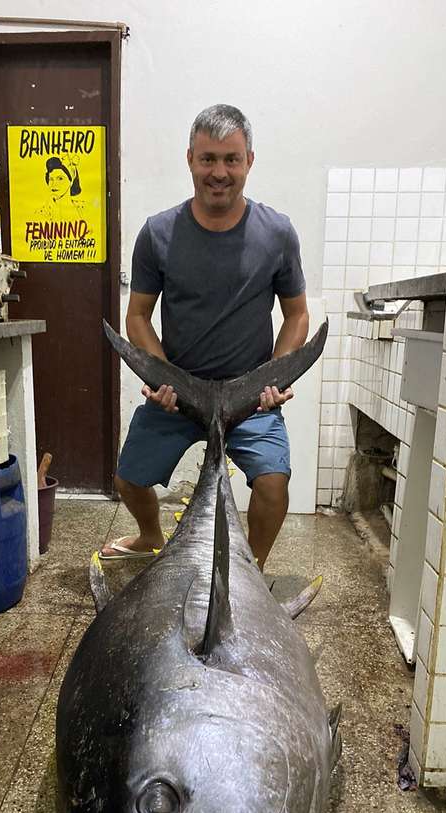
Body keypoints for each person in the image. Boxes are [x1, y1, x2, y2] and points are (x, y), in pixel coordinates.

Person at [99, 103, 309, 569]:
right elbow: (136, 316)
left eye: (231, 159)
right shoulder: (157, 233)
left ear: (249, 161)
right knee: (129, 479)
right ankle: (150, 536)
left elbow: (296, 315)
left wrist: (273, 376)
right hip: (180, 392)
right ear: (190, 159)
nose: (219, 172)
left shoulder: (277, 233)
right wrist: (161, 376)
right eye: (208, 159)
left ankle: (250, 568)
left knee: (273, 484)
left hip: (250, 396)